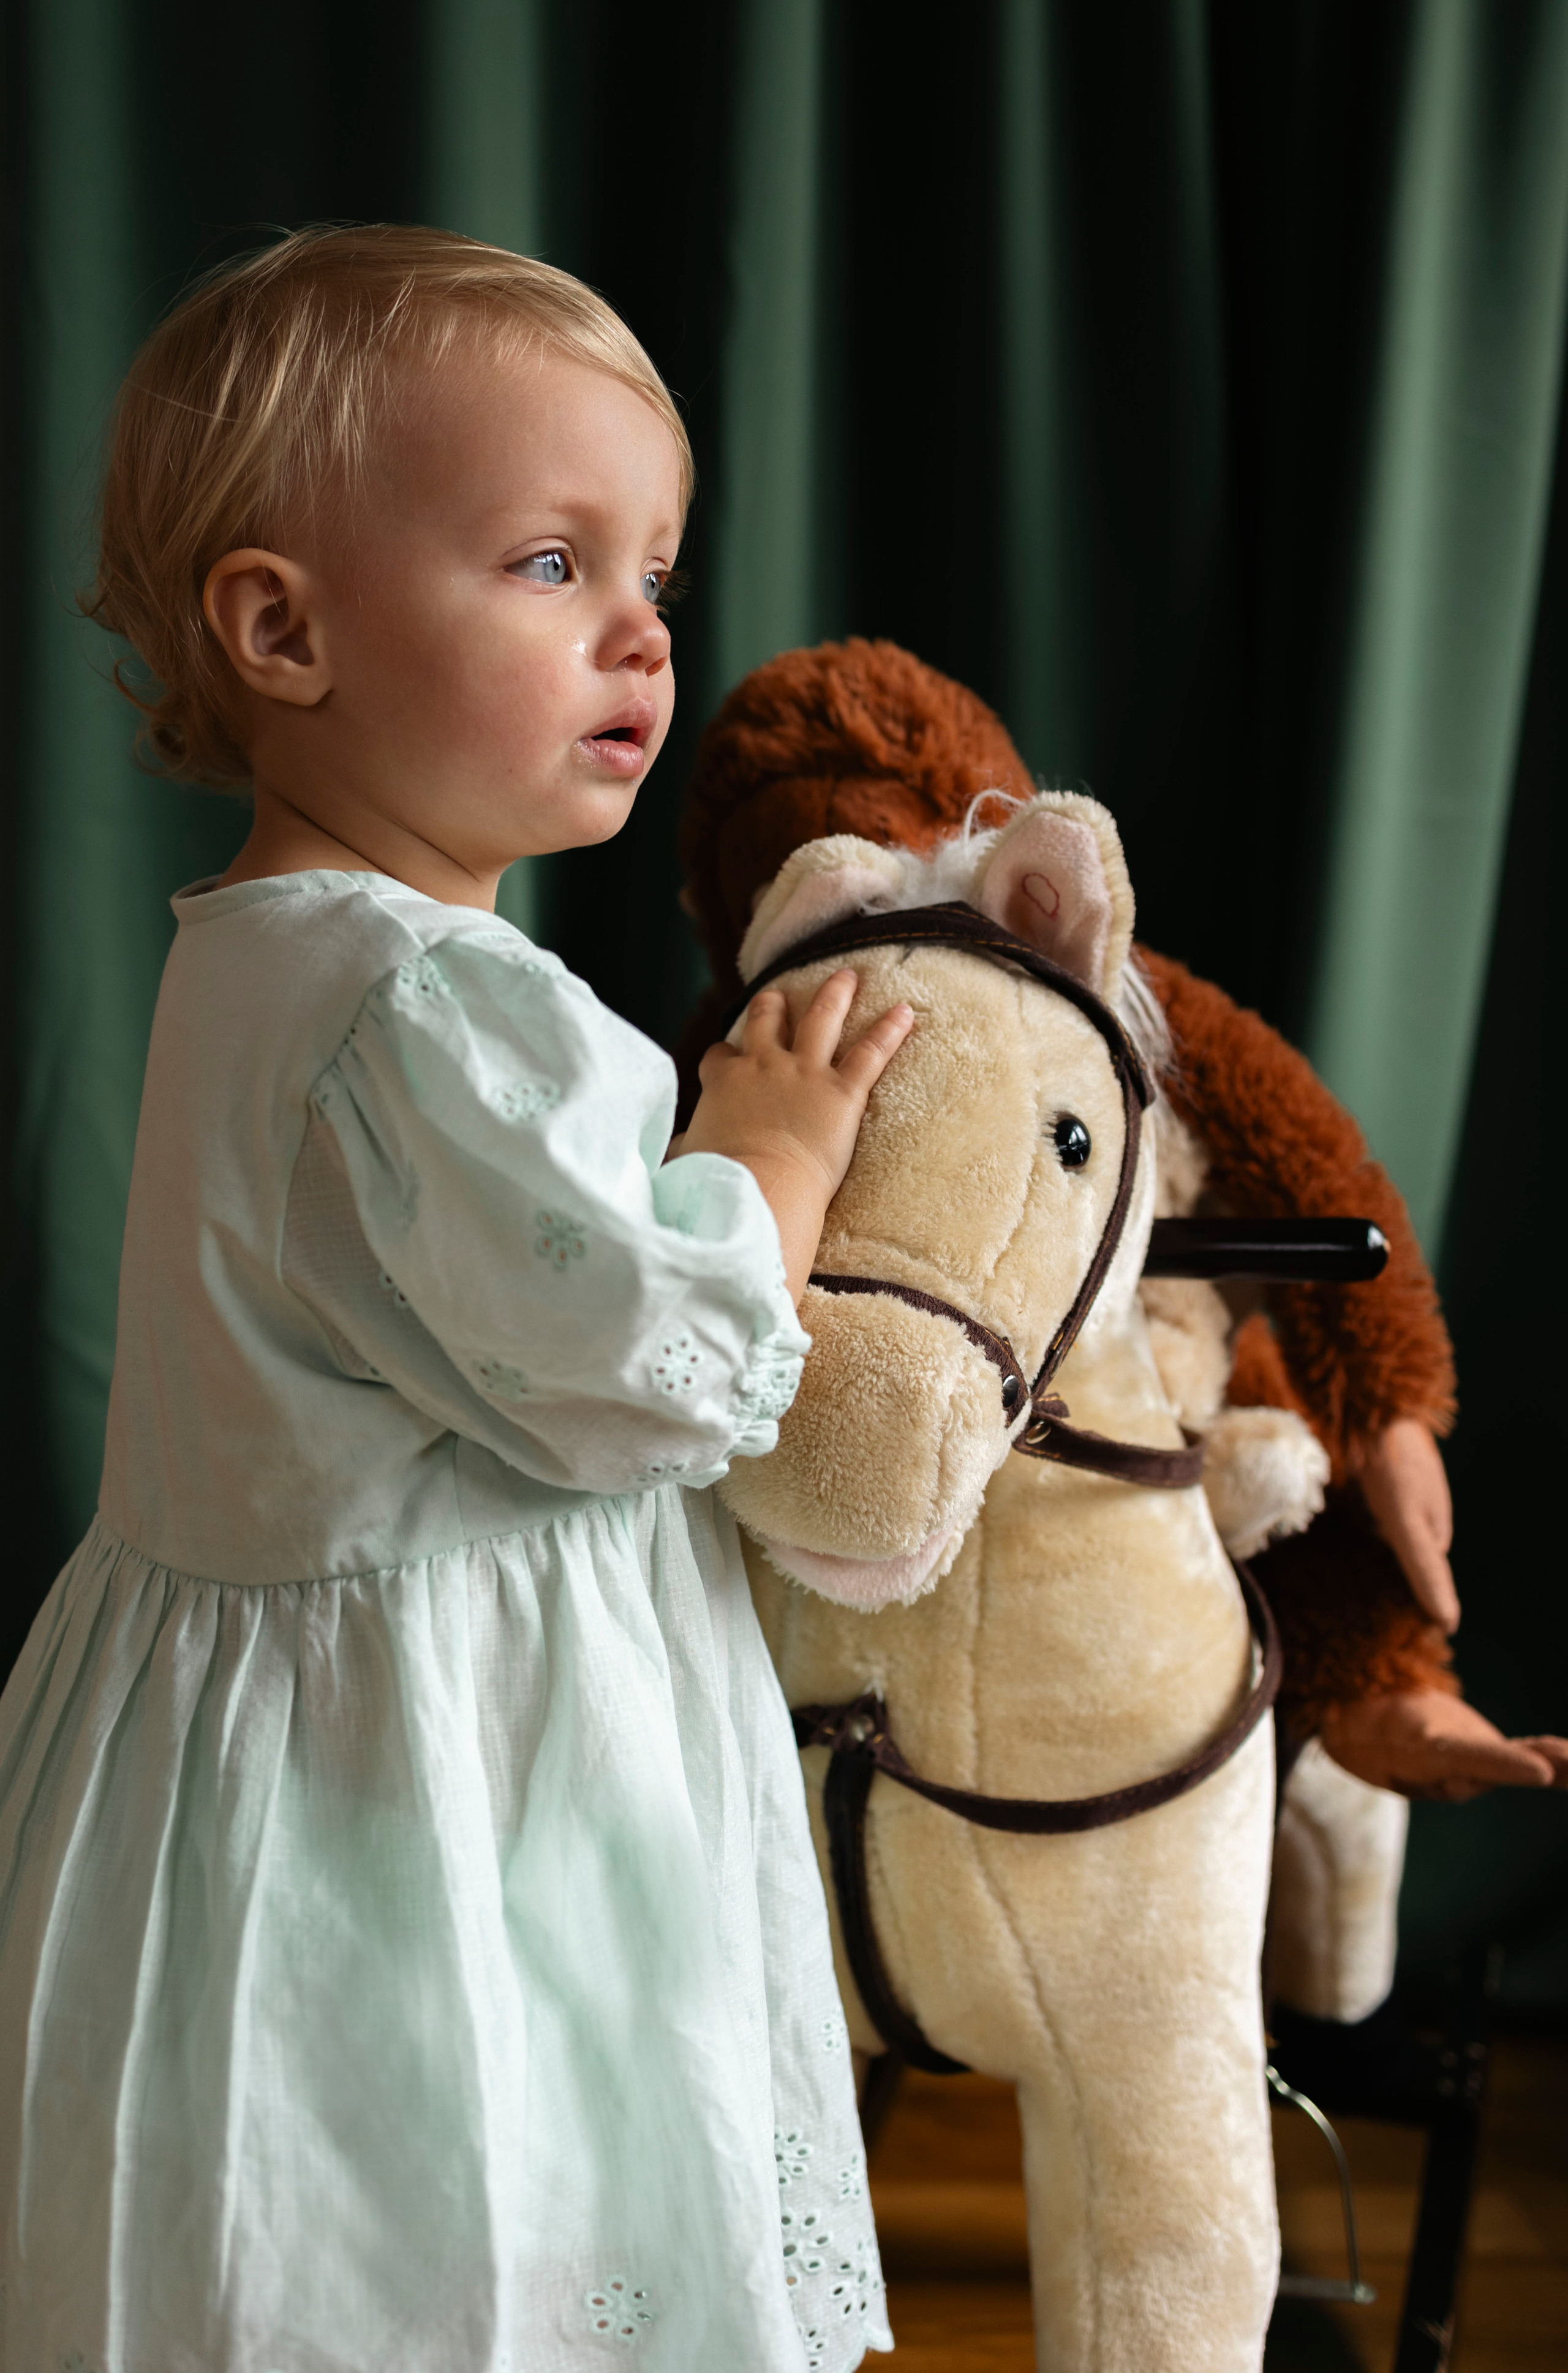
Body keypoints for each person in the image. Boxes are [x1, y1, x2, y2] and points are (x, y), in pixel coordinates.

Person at [0, 227, 908, 2373]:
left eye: (655, 577)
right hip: (437, 1796)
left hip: (286, 1751)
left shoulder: (260, 948)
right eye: (545, 563)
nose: (639, 633)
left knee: (304, 2201)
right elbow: (657, 1364)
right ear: (283, 629)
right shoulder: (434, 1005)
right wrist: (765, 1152)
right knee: (472, 2181)